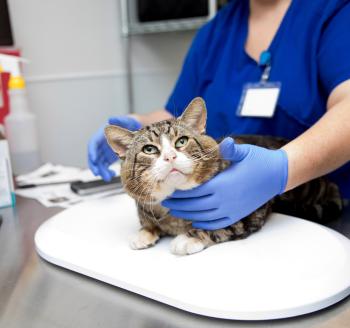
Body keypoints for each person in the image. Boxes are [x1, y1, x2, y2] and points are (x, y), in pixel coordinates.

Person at [88, 0, 350, 230]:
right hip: (226, 215)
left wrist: (281, 170)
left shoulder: (333, 12)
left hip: (324, 208)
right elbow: (175, 117)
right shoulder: (215, 32)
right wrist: (136, 124)